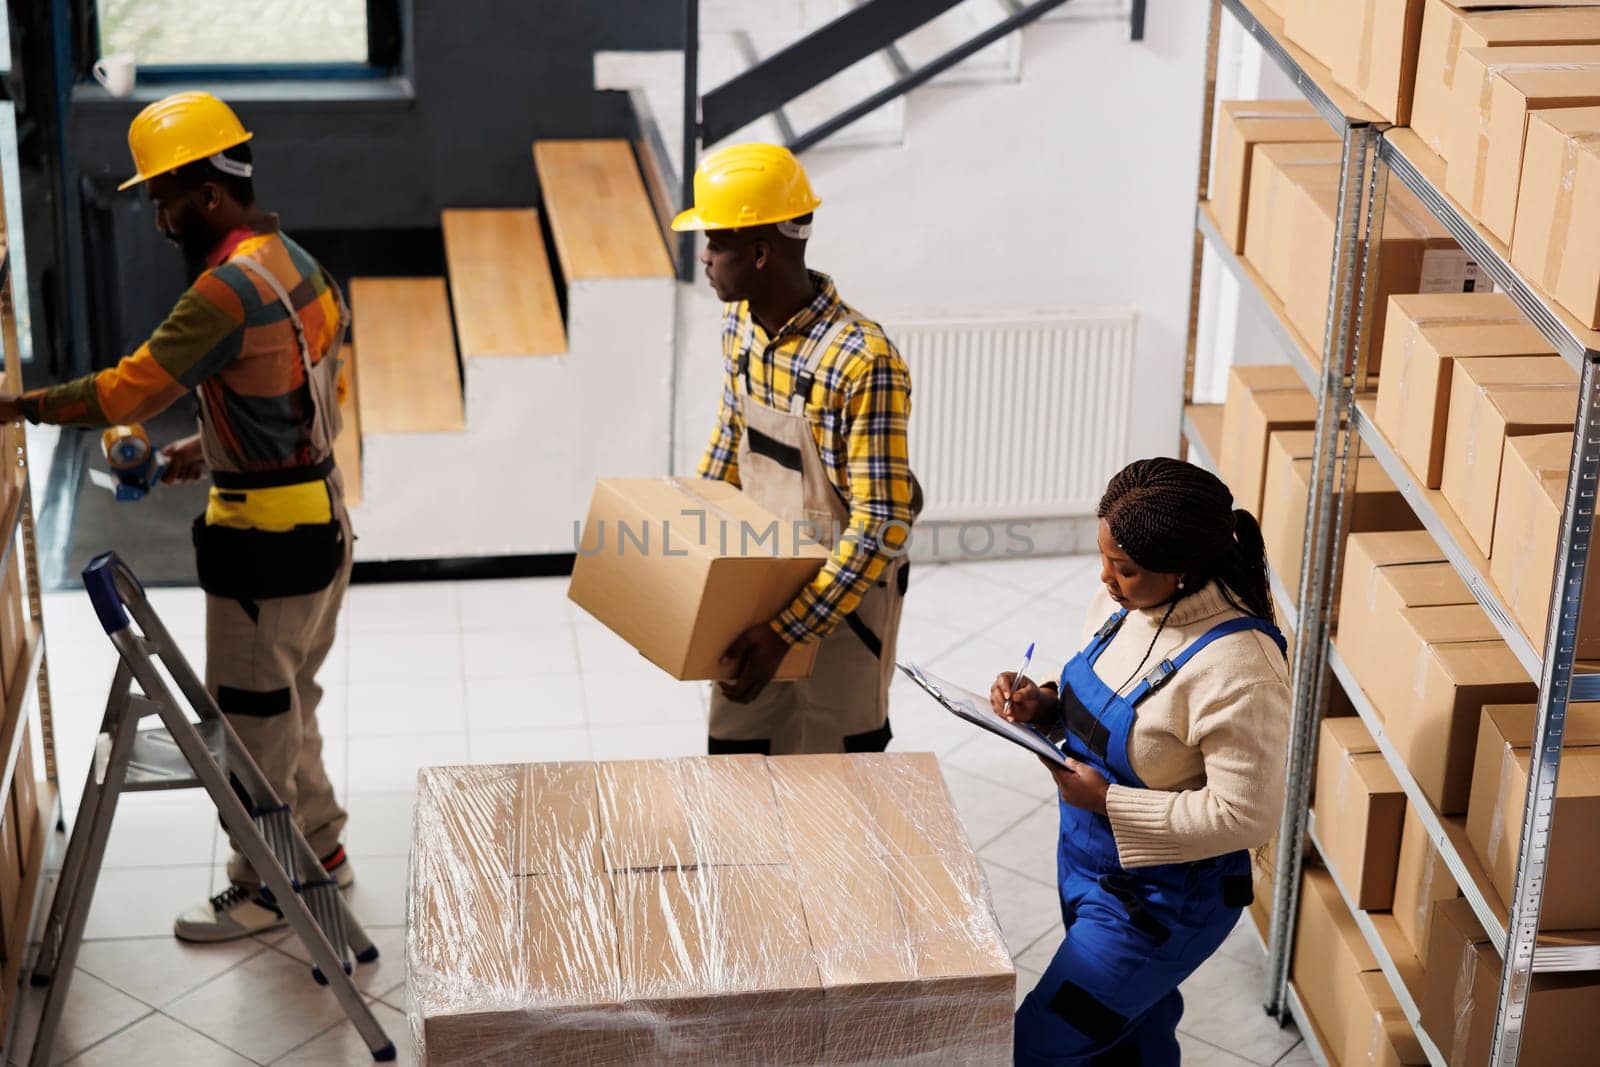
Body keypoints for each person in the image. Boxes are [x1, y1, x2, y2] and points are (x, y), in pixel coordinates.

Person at [0, 92, 355, 942]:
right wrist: (214, 444)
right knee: (290, 698)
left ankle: (266, 884)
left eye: (164, 198)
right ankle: (321, 847)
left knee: (250, 721)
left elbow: (128, 388)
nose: (158, 217)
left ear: (206, 193)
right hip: (320, 520)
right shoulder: (296, 263)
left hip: (264, 541)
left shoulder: (224, 292)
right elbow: (295, 388)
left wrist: (19, 405)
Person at [992, 457, 1290, 1064]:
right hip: (1084, 862)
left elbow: (1246, 817)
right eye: (1103, 558)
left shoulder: (1241, 670)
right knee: (1129, 1033)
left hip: (1163, 905)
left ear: (1181, 571)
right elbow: (1116, 694)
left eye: (1123, 569)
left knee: (1039, 1046)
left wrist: (1107, 801)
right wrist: (1044, 704)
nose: (1105, 578)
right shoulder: (1121, 605)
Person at [672, 143, 918, 755]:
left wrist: (788, 630)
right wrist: (684, 546)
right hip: (759, 579)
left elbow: (881, 521)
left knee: (829, 791)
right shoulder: (740, 324)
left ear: (759, 252)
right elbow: (730, 440)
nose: (704, 257)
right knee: (739, 763)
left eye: (716, 241)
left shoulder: (862, 360)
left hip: (841, 606)